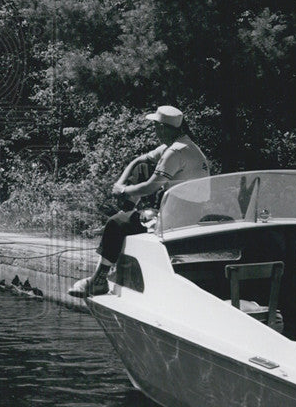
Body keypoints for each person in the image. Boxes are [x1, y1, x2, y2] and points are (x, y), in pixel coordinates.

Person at [68, 105, 209, 297]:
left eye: (155, 126)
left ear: (162, 127)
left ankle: (99, 281)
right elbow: (138, 161)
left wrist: (123, 190)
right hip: (189, 212)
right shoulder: (183, 145)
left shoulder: (175, 153)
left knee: (116, 224)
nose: (154, 131)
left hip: (177, 219)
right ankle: (125, 215)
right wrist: (120, 183)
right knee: (143, 168)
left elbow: (151, 186)